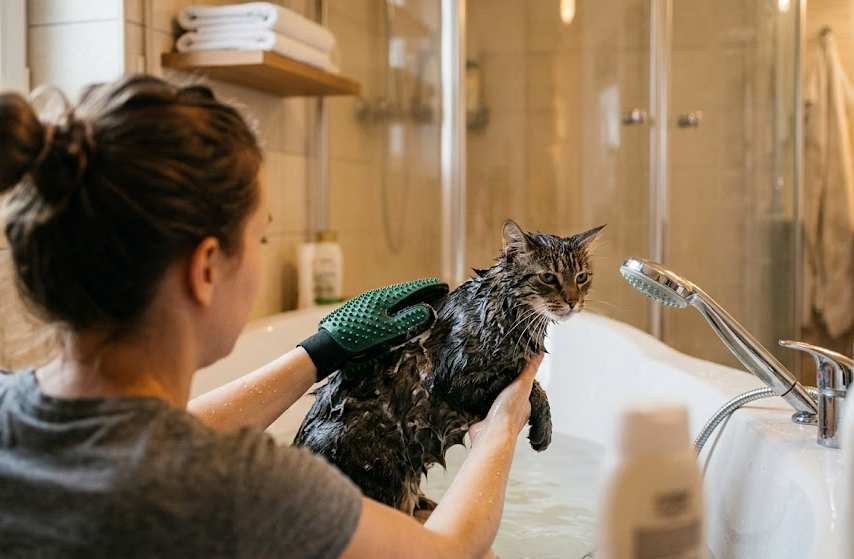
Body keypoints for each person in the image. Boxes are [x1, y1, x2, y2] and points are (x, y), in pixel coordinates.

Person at [0, 74, 543, 558]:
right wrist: (500, 427)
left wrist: (319, 354)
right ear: (206, 268)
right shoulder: (244, 490)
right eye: (260, 236)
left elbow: (139, 442)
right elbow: (447, 552)